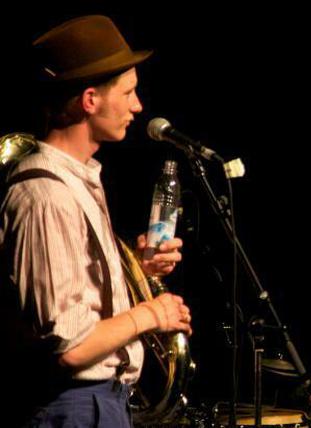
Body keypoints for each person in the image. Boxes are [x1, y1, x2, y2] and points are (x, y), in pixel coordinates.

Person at [0, 15, 192, 426]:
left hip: (99, 403)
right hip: (73, 407)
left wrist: (136, 275)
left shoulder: (80, 181)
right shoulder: (46, 196)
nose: (138, 106)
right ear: (90, 100)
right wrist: (151, 314)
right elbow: (71, 346)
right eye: (128, 92)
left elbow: (77, 304)